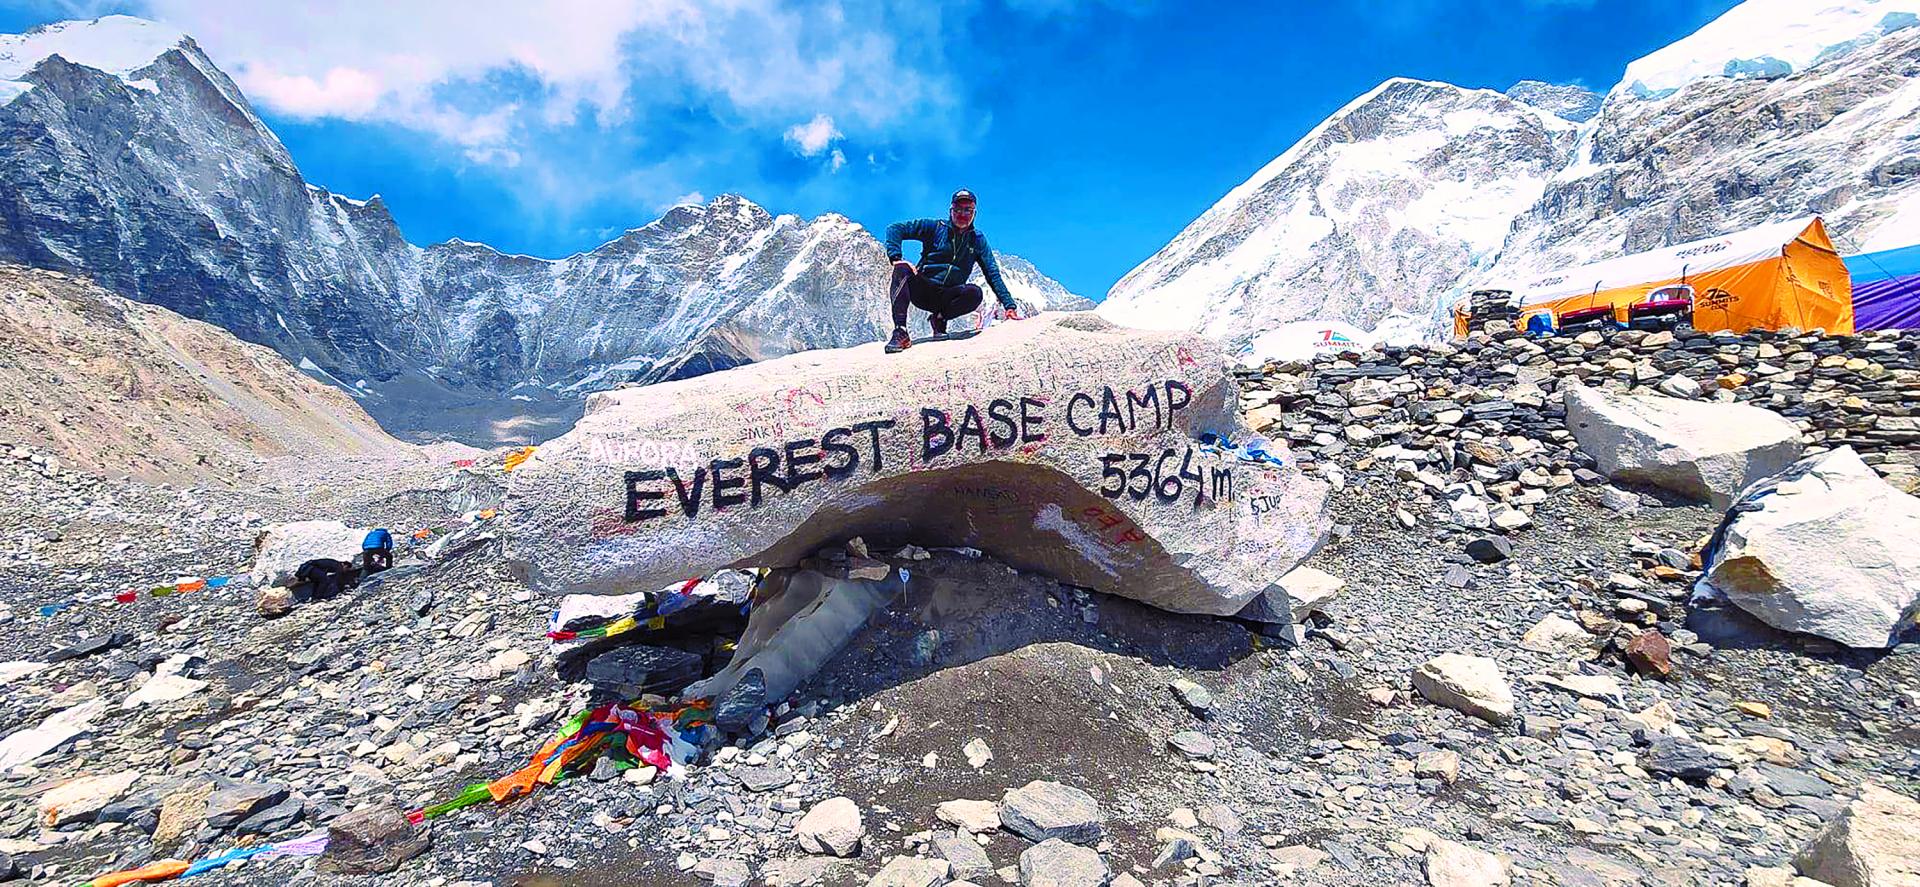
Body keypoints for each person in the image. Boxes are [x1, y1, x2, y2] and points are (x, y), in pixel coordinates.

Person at [882, 188, 1024, 352]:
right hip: (923, 291)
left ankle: (939, 319)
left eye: (967, 210)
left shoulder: (977, 240)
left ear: (974, 213)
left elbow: (992, 273)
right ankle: (900, 331)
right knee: (902, 269)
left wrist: (1009, 306)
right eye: (958, 209)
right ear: (951, 211)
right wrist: (896, 258)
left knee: (975, 293)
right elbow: (895, 228)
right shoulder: (936, 228)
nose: (962, 214)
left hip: (949, 296)